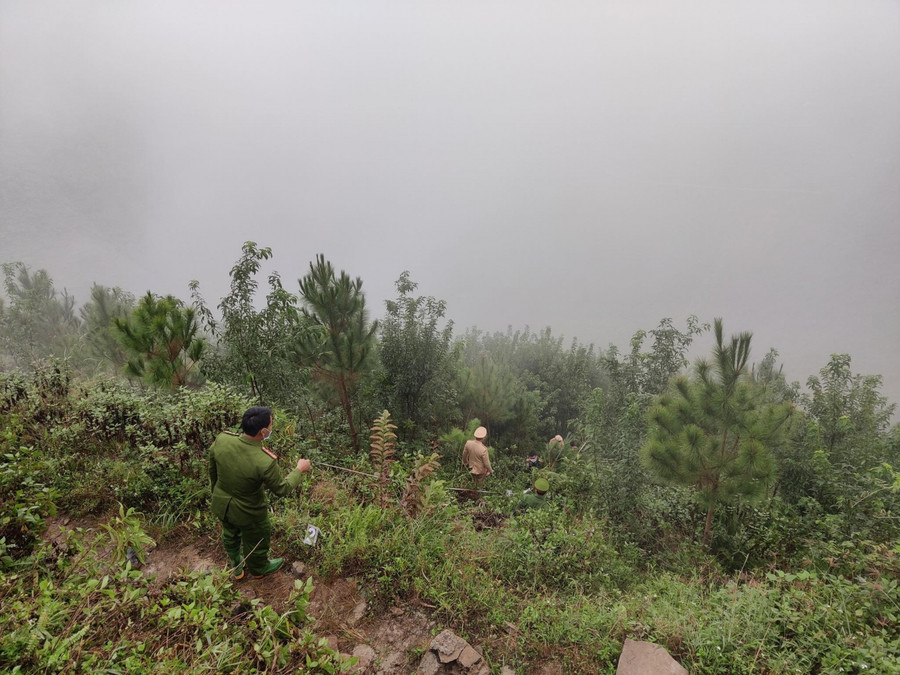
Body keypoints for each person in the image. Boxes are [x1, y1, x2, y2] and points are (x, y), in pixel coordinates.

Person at [209, 406, 311, 580]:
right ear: (263, 432)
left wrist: (216, 494)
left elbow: (213, 471)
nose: (272, 428)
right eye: (271, 425)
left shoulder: (222, 439)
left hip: (222, 503)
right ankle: (259, 568)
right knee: (257, 540)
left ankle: (236, 564)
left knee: (229, 534)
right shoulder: (264, 461)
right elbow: (282, 489)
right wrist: (299, 470)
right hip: (250, 512)